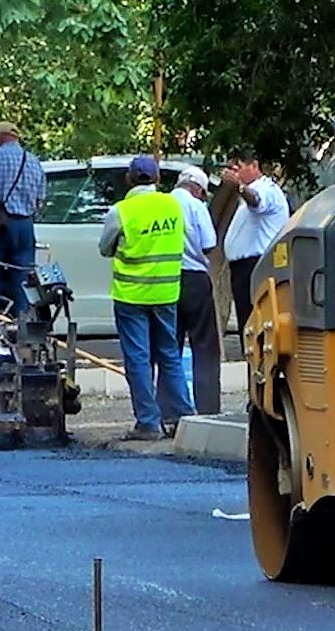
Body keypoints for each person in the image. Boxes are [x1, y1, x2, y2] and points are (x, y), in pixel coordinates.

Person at [97, 157, 193, 440]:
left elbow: (105, 248)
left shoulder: (122, 211)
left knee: (138, 358)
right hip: (166, 292)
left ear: (129, 178)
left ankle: (148, 423)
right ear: (157, 177)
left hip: (132, 295)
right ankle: (182, 417)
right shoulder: (174, 206)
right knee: (169, 355)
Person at [171, 165, 222, 415]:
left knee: (170, 348)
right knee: (205, 345)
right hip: (194, 279)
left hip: (167, 280)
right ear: (198, 189)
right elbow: (209, 244)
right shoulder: (196, 206)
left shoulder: (164, 204)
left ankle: (171, 409)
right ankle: (208, 407)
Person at [0, 122, 44, 316]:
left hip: (2, 223)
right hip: (26, 225)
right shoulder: (34, 161)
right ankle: (21, 320)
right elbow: (40, 202)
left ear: (0, 137)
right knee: (23, 275)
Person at [222, 153, 288, 334]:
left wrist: (240, 187)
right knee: (247, 321)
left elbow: (257, 201)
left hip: (256, 264)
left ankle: (256, 361)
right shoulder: (250, 190)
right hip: (244, 266)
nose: (234, 174)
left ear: (254, 165)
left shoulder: (265, 188)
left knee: (254, 322)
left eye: (238, 168)